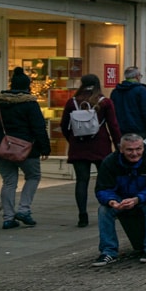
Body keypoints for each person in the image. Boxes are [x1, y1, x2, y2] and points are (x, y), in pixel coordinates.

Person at [0, 68, 50, 229]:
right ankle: (24, 210)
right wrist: (45, 148)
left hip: (2, 147)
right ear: (27, 86)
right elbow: (39, 127)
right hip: (27, 148)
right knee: (33, 176)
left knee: (8, 182)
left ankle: (8, 217)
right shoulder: (29, 104)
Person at [60, 73, 122, 227]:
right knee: (104, 180)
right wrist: (118, 144)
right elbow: (113, 126)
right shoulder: (104, 102)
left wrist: (72, 139)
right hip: (100, 146)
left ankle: (82, 215)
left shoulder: (72, 102)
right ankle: (108, 208)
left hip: (78, 146)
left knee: (82, 181)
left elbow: (63, 125)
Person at [93, 133, 146, 266]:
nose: (135, 153)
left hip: (144, 198)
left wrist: (138, 199)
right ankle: (108, 251)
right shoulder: (110, 162)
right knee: (104, 210)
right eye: (130, 150)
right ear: (121, 149)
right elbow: (102, 188)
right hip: (120, 198)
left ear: (143, 148)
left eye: (138, 149)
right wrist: (112, 201)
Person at [112, 66, 146, 138]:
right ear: (137, 76)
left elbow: (113, 112)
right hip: (139, 130)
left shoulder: (115, 92)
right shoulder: (141, 90)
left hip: (121, 131)